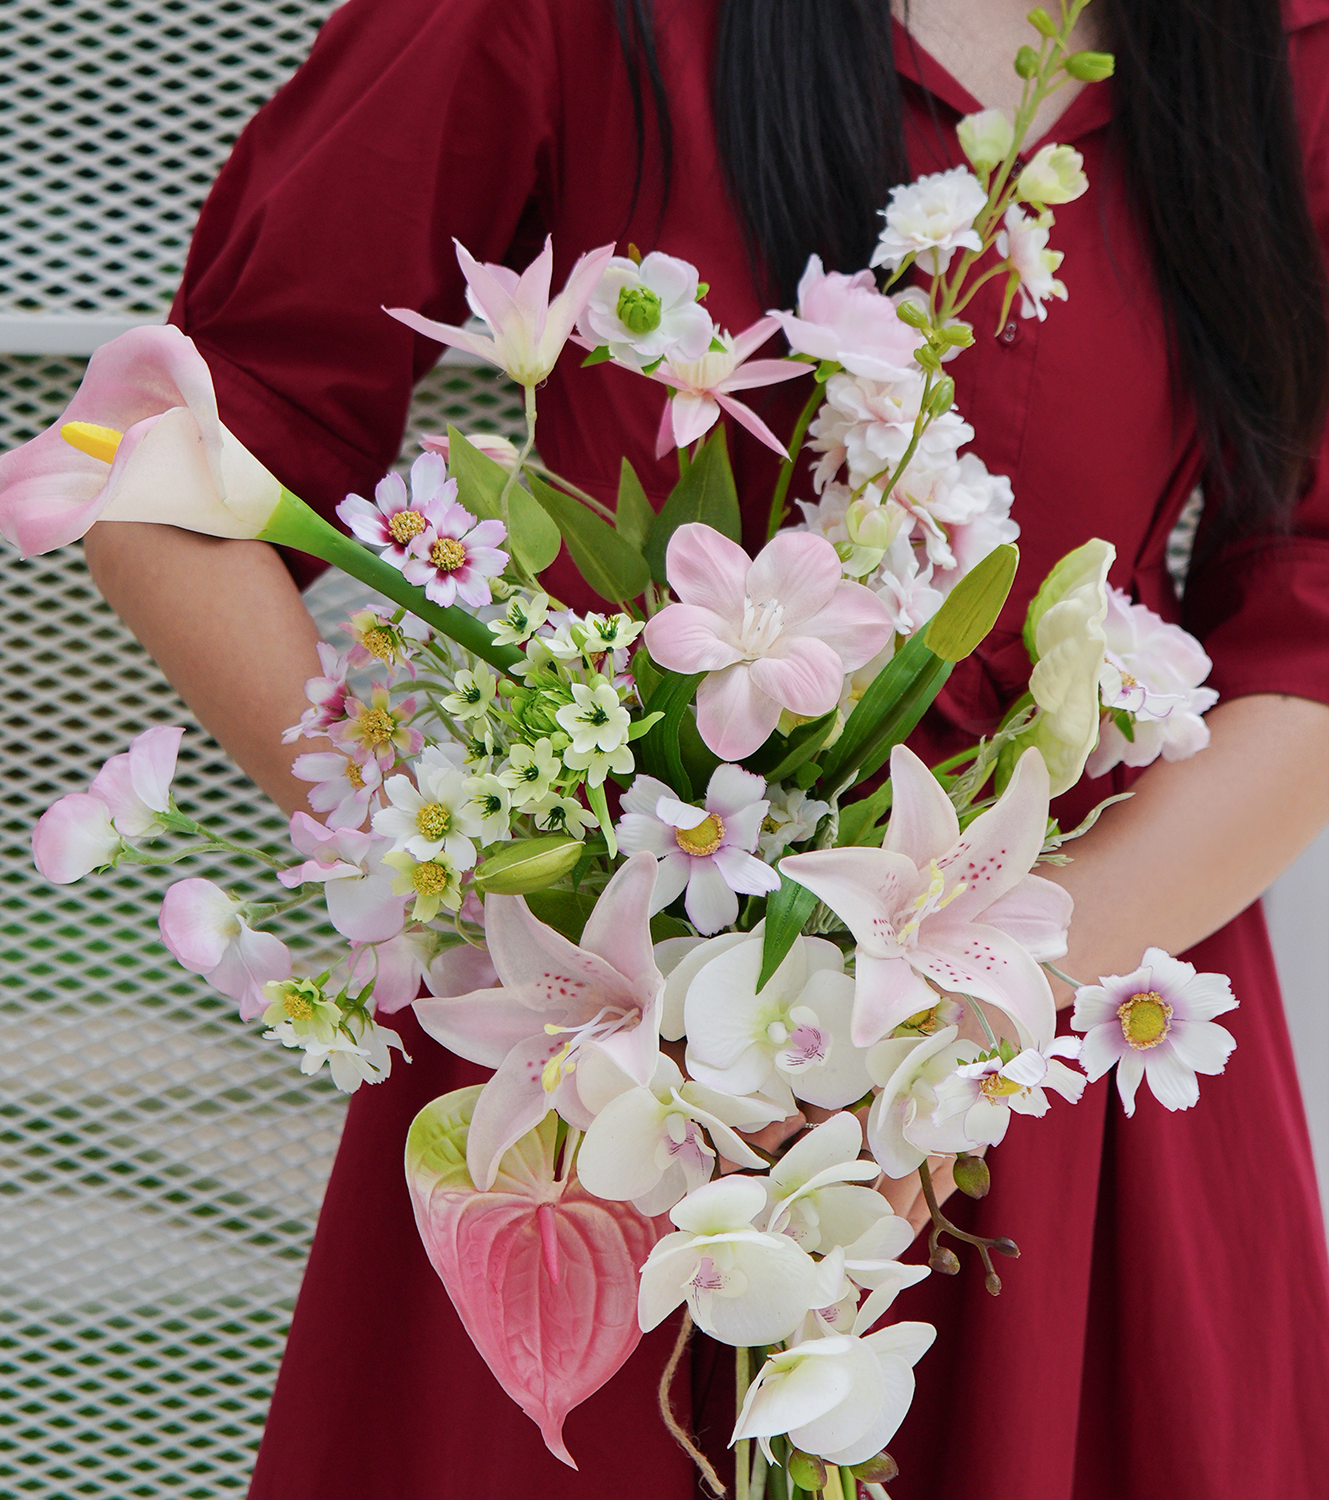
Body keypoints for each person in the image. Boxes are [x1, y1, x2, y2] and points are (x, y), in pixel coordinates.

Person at [81, 0, 1329, 1494]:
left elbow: (1307, 636)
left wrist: (959, 1014)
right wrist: (464, 858)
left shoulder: (1290, 52)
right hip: (596, 1042)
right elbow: (181, 471)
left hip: (1051, 1034)